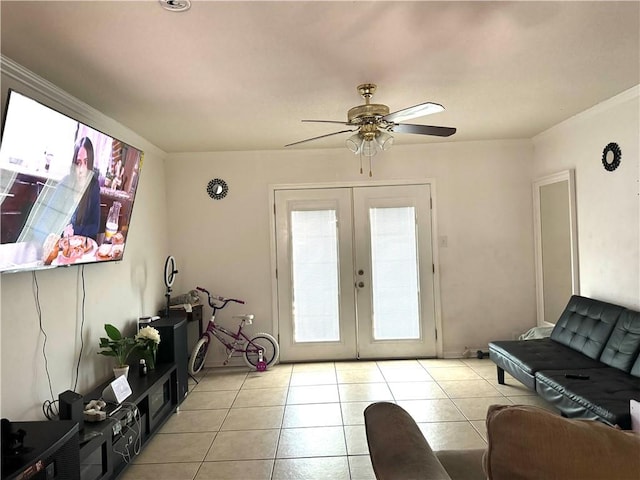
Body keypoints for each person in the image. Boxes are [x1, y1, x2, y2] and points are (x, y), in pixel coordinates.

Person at [62, 137, 101, 240]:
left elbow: (95, 227)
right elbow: (49, 218)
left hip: (80, 245)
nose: (81, 169)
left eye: (86, 162)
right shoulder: (65, 182)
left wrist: (75, 230)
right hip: (61, 242)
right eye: (78, 162)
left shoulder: (94, 186)